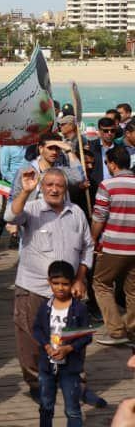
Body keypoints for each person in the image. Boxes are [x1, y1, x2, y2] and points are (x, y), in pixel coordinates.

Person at [5, 167, 95, 401]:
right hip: (33, 288)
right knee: (30, 338)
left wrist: (80, 278)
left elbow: (88, 247)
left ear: (66, 189)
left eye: (59, 186)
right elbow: (11, 217)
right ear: (42, 187)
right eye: (49, 185)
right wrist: (25, 191)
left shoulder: (76, 212)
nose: (54, 190)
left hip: (69, 289)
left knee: (73, 336)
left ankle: (74, 381)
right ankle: (37, 383)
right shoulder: (32, 208)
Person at [32, 260, 92, 427]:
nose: (60, 288)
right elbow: (37, 329)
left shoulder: (79, 309)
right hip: (47, 366)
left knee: (72, 409)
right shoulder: (45, 307)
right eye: (55, 283)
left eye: (65, 284)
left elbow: (87, 336)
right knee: (45, 406)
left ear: (72, 283)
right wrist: (46, 346)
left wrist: (69, 348)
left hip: (70, 367)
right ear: (49, 282)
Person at [90, 145, 135, 346]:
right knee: (133, 290)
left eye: (107, 163)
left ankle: (116, 331)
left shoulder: (107, 185)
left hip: (114, 246)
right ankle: (133, 330)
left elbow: (99, 217)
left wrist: (93, 238)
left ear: (113, 164)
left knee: (101, 284)